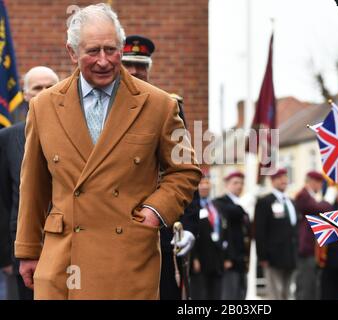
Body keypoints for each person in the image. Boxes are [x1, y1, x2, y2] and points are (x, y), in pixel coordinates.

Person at [14, 4, 201, 300]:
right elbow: (34, 186)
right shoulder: (43, 106)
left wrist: (155, 211)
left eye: (111, 50)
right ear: (72, 53)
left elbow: (185, 169)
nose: (103, 61)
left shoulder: (159, 105)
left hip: (128, 258)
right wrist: (27, 249)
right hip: (63, 258)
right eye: (93, 51)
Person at [121, 34, 199, 300]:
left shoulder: (168, 107)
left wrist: (188, 226)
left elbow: (184, 173)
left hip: (161, 229)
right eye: (128, 63)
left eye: (141, 65)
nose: (134, 71)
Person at [0, 66, 59, 300]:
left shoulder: (78, 134)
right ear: (25, 94)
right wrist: (5, 256)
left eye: (50, 86)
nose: (44, 92)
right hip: (24, 250)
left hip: (71, 244)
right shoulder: (7, 139)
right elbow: (3, 200)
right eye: (37, 88)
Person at [255, 168, 297, 300]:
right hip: (273, 256)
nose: (284, 180)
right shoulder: (265, 202)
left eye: (285, 177)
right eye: (279, 178)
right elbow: (259, 230)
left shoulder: (291, 202)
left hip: (291, 255)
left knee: (288, 292)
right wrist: (262, 256)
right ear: (272, 181)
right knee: (275, 293)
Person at [294, 170, 332, 300]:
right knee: (306, 286)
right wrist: (328, 202)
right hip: (306, 248)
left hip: (312, 248)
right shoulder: (303, 196)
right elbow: (319, 208)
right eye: (320, 183)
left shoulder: (310, 197)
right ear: (312, 182)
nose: (321, 186)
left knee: (311, 285)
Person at [214, 171, 251, 300]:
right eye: (235, 183)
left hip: (242, 259)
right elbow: (223, 232)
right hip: (230, 259)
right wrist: (226, 258)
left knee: (241, 294)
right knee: (230, 296)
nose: (239, 186)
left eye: (241, 183)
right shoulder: (220, 202)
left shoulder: (240, 204)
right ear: (227, 185)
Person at [190, 170, 224, 300]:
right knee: (200, 295)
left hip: (216, 260)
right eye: (201, 183)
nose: (204, 186)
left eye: (207, 182)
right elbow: (190, 232)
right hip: (200, 260)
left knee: (215, 294)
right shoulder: (192, 208)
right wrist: (194, 258)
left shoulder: (216, 206)